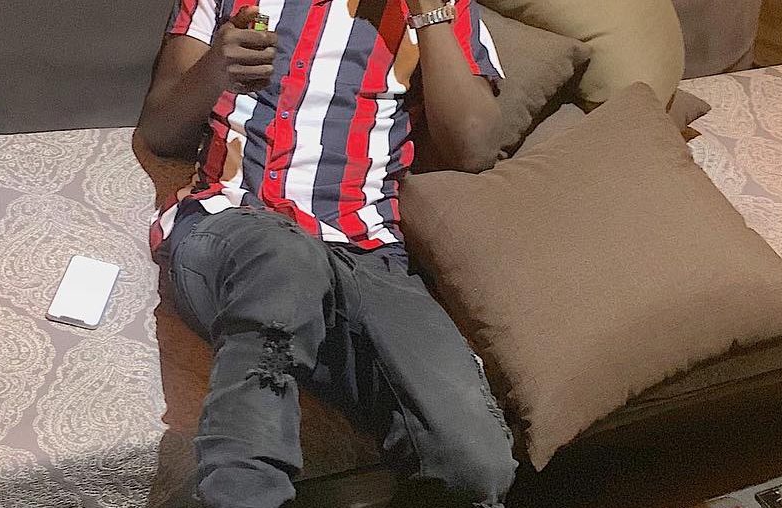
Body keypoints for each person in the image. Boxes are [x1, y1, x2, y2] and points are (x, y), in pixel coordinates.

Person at [138, 0, 517, 506]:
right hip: (233, 226)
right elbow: (160, 132)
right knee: (284, 256)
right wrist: (214, 69)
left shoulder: (445, 10)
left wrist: (429, 12)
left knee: (475, 465)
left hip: (369, 255)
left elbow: (474, 149)